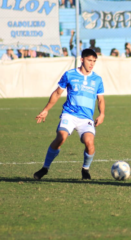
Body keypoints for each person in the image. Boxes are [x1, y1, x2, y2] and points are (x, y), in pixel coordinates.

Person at [33, 48, 105, 180]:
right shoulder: (69, 75)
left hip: (86, 118)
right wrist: (46, 110)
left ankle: (85, 169)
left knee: (89, 142)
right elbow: (57, 93)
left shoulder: (97, 79)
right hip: (69, 114)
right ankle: (45, 168)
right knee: (61, 137)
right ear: (82, 60)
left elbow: (100, 99)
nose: (92, 64)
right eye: (89, 60)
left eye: (94, 61)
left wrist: (102, 114)